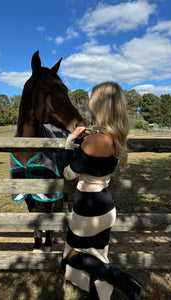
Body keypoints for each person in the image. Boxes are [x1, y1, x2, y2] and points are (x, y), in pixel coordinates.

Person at [61, 82, 143, 300]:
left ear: (100, 107)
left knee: (70, 256)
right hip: (107, 209)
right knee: (99, 256)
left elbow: (68, 173)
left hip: (87, 210)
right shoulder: (118, 138)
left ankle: (121, 278)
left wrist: (71, 142)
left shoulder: (91, 141)